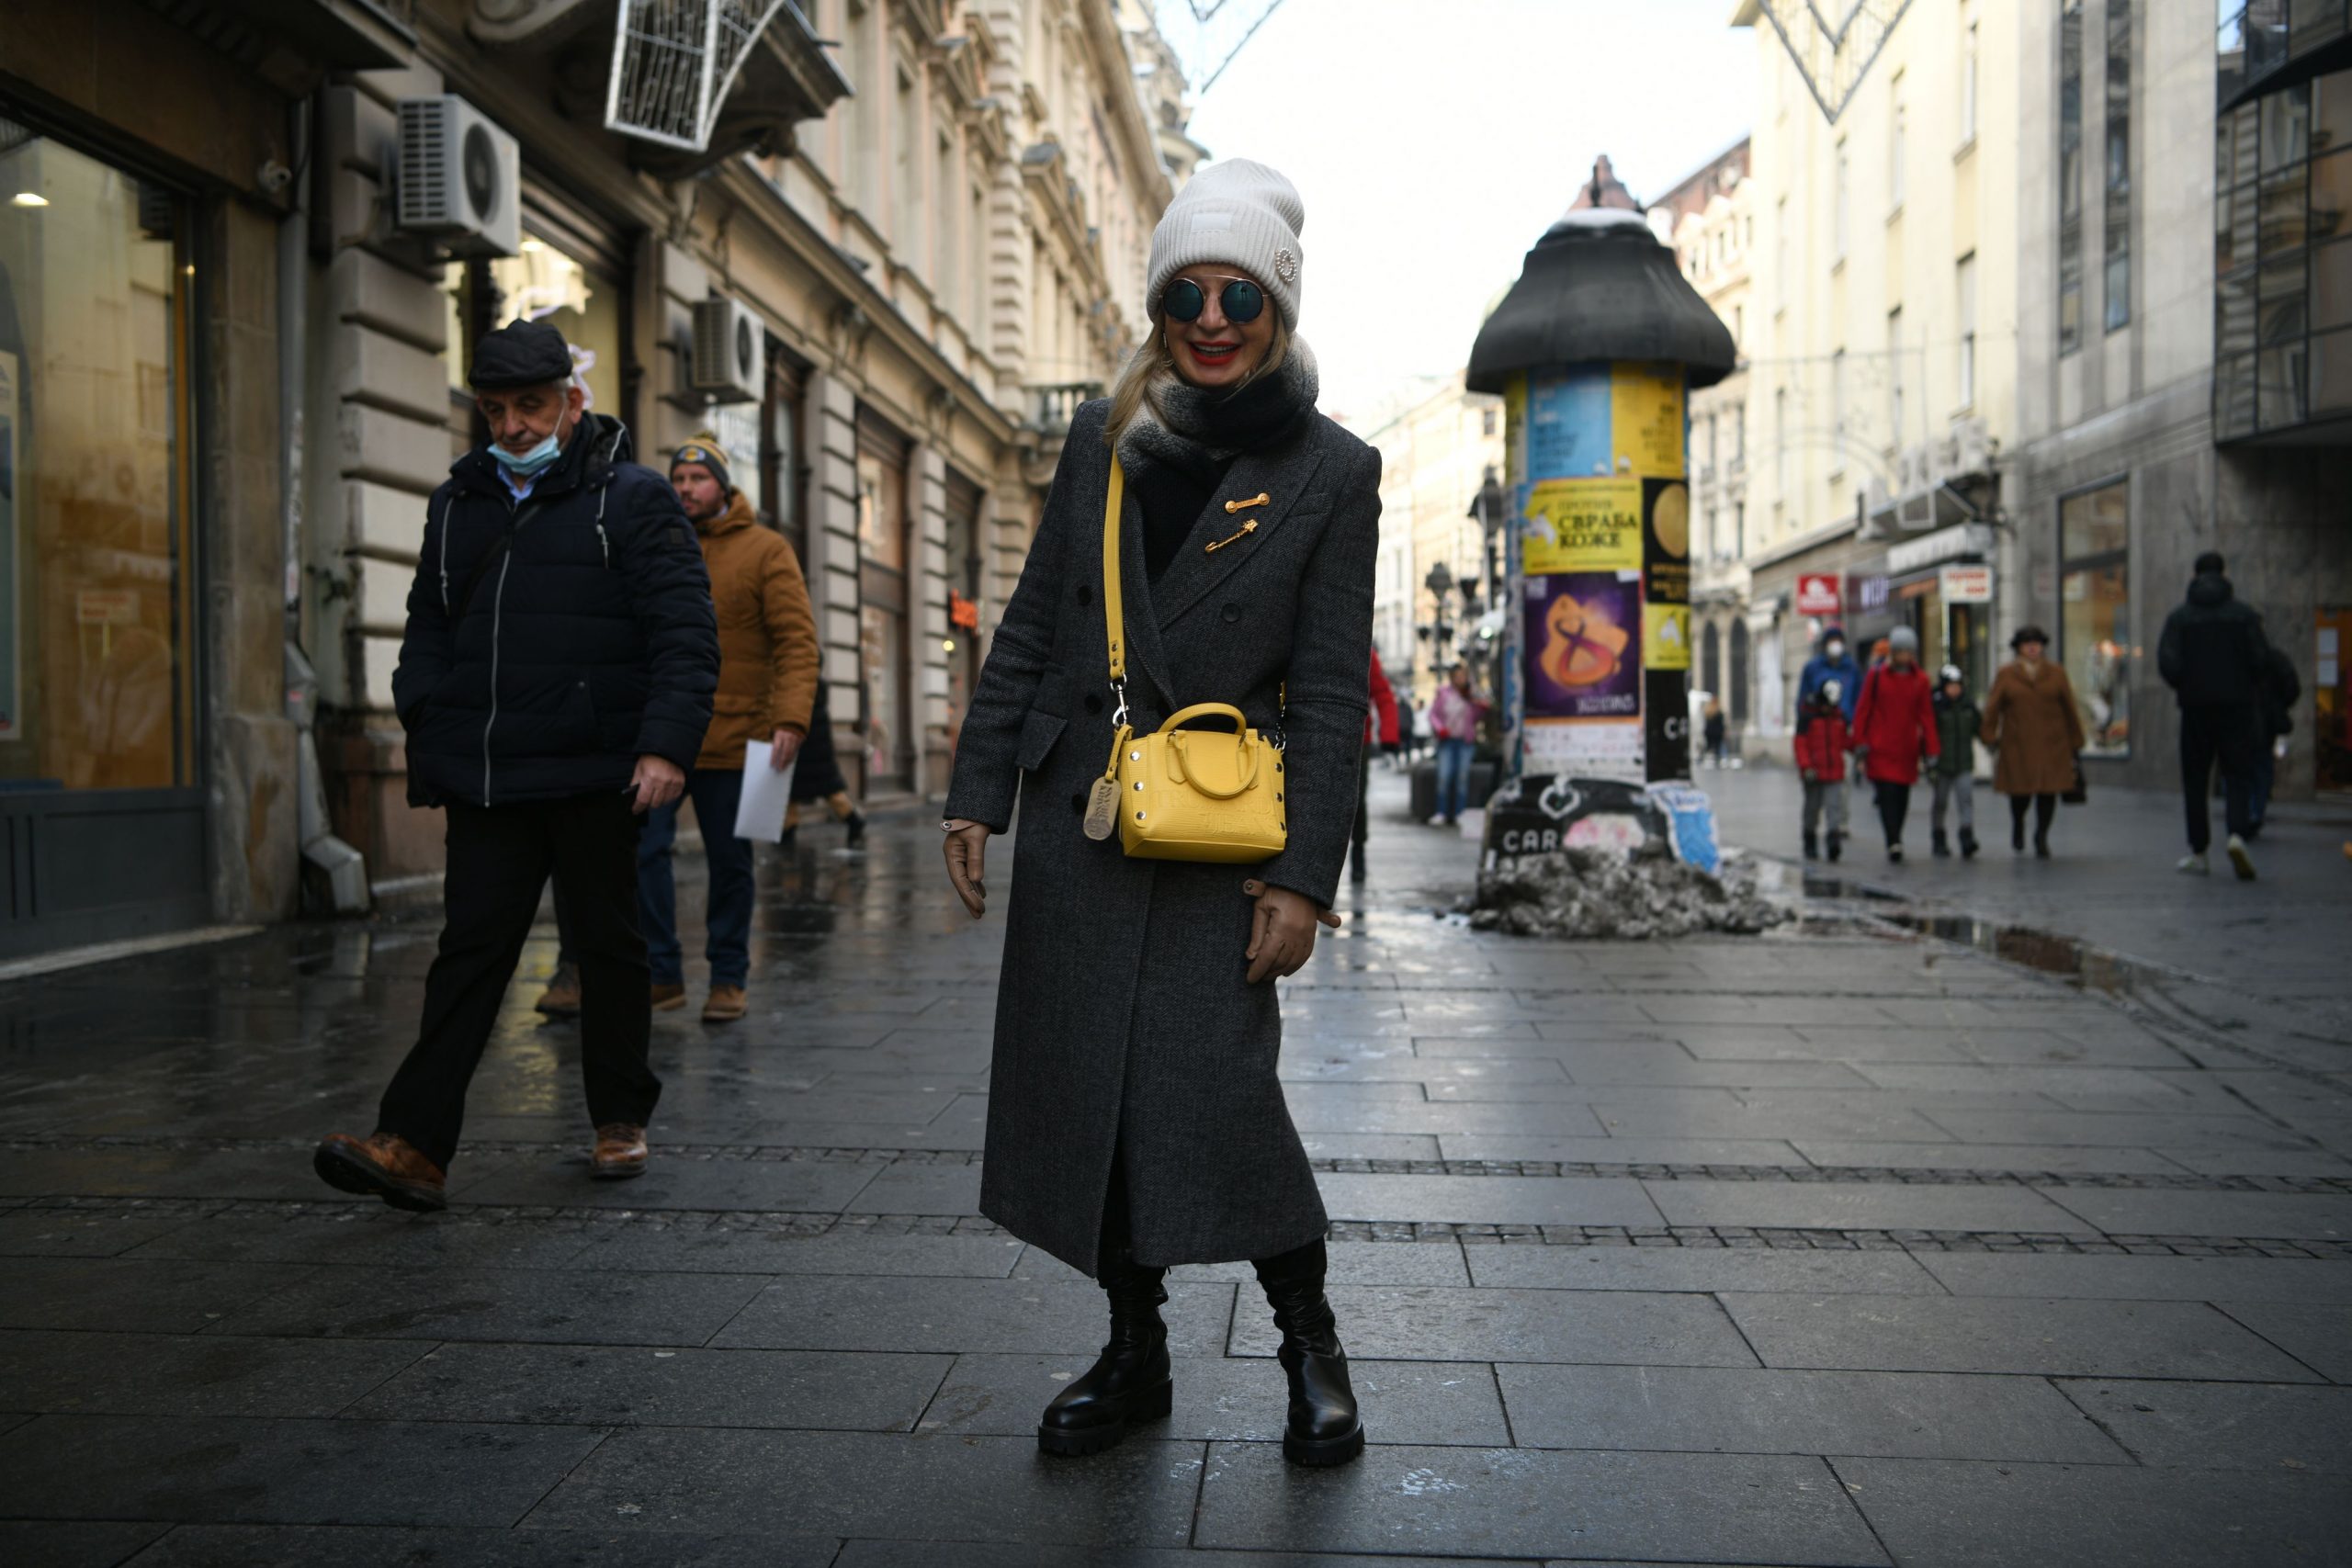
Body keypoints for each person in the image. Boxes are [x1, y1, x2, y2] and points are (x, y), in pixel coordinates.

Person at [936, 160, 1377, 1469]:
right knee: (1096, 1106)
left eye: (1239, 289)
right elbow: (1031, 623)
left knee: (1222, 1095)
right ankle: (1137, 1351)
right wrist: (976, 790)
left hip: (1219, 838)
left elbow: (1338, 692)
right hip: (1086, 821)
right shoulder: (1101, 435)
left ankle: (1311, 1340)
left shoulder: (1330, 470)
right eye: (1187, 289)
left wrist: (1306, 876)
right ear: (1159, 302)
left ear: (1277, 304)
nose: (1212, 313)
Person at [314, 320, 718, 1210]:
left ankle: (619, 1115)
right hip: (490, 775)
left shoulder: (633, 499)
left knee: (609, 949)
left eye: (531, 406)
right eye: (495, 410)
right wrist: (426, 713)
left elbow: (685, 633)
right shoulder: (457, 502)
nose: (513, 426)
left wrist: (663, 745)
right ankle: (414, 1143)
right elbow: (428, 622)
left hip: (592, 769)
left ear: (572, 404)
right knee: (469, 954)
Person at [629, 432, 819, 1022]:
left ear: (722, 485)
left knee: (730, 865)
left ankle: (728, 978)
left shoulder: (766, 549)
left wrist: (790, 718)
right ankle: (662, 972)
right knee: (642, 852)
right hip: (660, 737)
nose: (686, 489)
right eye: (679, 480)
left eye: (698, 479)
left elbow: (796, 640)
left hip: (740, 739)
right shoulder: (652, 545)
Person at [2158, 551, 2272, 880]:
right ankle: (2237, 834)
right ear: (2224, 574)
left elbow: (2168, 662)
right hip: (2237, 706)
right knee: (2237, 774)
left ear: (2195, 575)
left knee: (2195, 779)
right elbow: (2261, 658)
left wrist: (2188, 684)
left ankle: (2199, 851)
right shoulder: (2244, 615)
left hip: (2195, 708)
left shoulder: (2180, 617)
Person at [1979, 625, 2084, 860]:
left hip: (2052, 744)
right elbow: (1993, 708)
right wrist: (1989, 735)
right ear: (2019, 648)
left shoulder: (2056, 673)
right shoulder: (2007, 674)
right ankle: (2018, 824)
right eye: (2027, 643)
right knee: (2020, 793)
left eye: (2037, 643)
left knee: (2048, 792)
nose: (2033, 647)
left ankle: (2041, 836)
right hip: (2018, 744)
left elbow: (2069, 708)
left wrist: (2076, 741)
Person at [1849, 625, 1939, 862]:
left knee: (1901, 796)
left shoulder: (1920, 680)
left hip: (1906, 748)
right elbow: (1863, 709)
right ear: (1893, 652)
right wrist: (1860, 741)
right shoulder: (1877, 676)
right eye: (1901, 652)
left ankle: (1896, 834)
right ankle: (1893, 840)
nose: (1905, 657)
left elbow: (1926, 717)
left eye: (1909, 652)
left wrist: (1931, 749)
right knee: (1886, 795)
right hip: (1880, 747)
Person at [781, 680, 869, 850]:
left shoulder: (803, 689)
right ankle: (787, 832)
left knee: (796, 792)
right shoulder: (818, 689)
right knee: (823, 791)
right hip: (816, 754)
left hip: (808, 754)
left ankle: (788, 833)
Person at [1351, 645, 1399, 880]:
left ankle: (1358, 850)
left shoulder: (1365, 652)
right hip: (1318, 735)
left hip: (1360, 739)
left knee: (1357, 801)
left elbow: (1383, 694)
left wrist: (1390, 735)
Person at [1928, 663, 1982, 858]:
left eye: (1957, 685)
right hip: (1942, 764)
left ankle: (1967, 836)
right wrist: (1929, 759)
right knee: (1940, 802)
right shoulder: (1936, 706)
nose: (1955, 689)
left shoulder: (1967, 706)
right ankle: (1938, 837)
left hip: (1963, 762)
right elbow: (1928, 733)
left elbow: (1981, 728)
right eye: (1951, 686)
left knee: (1965, 799)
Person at [1792, 679, 1849, 862]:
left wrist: (1860, 746)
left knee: (1834, 807)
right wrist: (1806, 766)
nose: (1828, 708)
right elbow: (1800, 743)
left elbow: (1844, 741)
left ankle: (1833, 841)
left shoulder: (1838, 717)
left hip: (1833, 771)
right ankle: (1809, 840)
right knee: (1812, 808)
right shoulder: (1808, 716)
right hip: (1814, 772)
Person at [2247, 642, 2301, 840]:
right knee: (2261, 767)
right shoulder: (2275, 659)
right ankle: (2255, 811)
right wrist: (2278, 707)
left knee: (2243, 768)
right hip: (2265, 723)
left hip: (2245, 721)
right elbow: (2292, 687)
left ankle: (2247, 811)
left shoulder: (2243, 659)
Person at [1429, 662, 1486, 826]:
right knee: (1444, 777)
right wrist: (1440, 729)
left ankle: (1460, 813)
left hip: (1465, 741)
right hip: (1447, 741)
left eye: (1463, 676)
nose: (1461, 679)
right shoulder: (1443, 693)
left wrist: (1479, 706)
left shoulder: (1470, 695)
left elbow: (1476, 717)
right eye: (1458, 676)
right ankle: (1441, 812)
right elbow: (1433, 715)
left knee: (1462, 778)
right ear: (1452, 677)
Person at [1797, 624, 1861, 723]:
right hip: (1820, 728)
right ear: (1825, 644)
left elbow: (1859, 700)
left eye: (1838, 640)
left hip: (1845, 728)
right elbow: (1802, 701)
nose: (1835, 644)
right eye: (1832, 640)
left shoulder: (1852, 669)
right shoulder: (1813, 668)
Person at [1702, 697, 1727, 767]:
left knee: (1709, 747)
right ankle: (1717, 761)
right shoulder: (1718, 712)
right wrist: (1723, 732)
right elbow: (1721, 724)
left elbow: (1706, 723)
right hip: (1717, 733)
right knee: (1718, 747)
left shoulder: (1708, 711)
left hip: (1709, 732)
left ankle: (1707, 760)